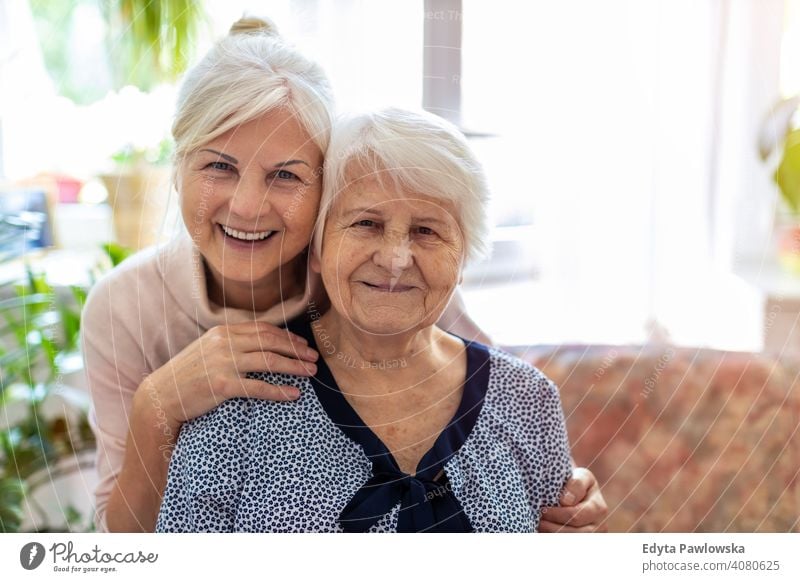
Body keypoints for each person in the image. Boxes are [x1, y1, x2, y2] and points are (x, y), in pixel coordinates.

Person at [81, 17, 607, 533]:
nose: (246, 207)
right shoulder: (125, 306)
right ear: (177, 169)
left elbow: (496, 412)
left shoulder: (383, 278)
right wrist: (159, 403)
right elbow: (128, 543)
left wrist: (563, 495)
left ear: (325, 190)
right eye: (218, 166)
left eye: (285, 175)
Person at [157, 107, 574, 532]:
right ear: (316, 249)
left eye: (426, 231)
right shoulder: (238, 400)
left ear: (463, 256)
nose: (395, 259)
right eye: (366, 223)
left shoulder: (528, 400)